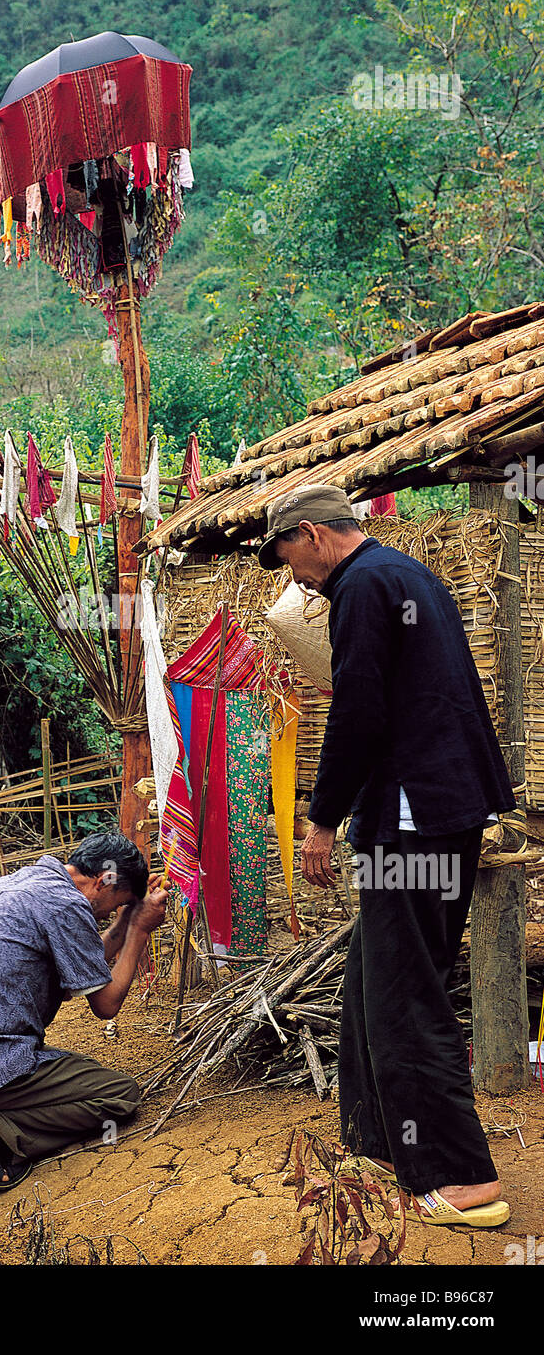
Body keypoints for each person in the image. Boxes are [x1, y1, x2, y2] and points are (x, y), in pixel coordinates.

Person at [258, 483, 515, 1228]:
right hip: (440, 809)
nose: (294, 579)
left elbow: (359, 710)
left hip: (412, 819)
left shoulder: (364, 587)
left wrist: (323, 818)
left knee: (408, 993)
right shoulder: (405, 575)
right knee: (376, 976)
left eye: (289, 560)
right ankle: (378, 1138)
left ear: (310, 534)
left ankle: (461, 1177)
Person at [0, 830, 167, 1190]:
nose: (110, 914)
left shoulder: (26, 884)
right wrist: (141, 930)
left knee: (69, 1073)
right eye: (115, 905)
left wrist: (126, 919)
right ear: (104, 880)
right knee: (119, 1094)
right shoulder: (67, 906)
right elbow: (106, 1004)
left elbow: (83, 962)